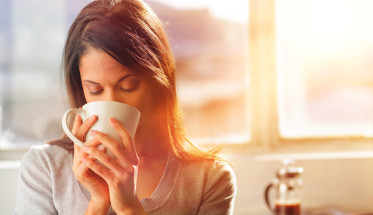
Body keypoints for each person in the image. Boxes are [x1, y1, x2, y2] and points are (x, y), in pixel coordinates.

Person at [14, 0, 236, 214]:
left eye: (128, 86)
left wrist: (129, 208)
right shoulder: (45, 169)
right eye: (95, 90)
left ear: (157, 84)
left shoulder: (209, 179)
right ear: (80, 89)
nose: (111, 102)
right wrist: (98, 204)